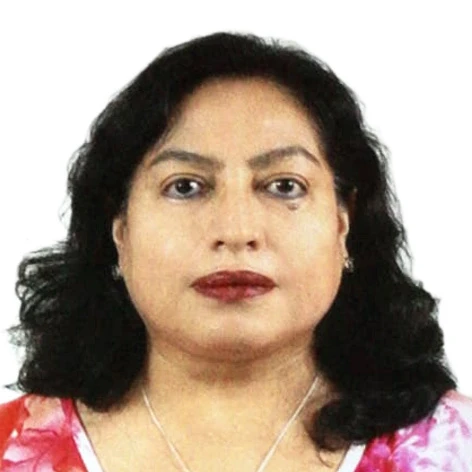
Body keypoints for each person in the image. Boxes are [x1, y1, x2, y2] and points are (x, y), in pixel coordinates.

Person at [1, 32, 471, 471]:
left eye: (284, 186)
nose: (236, 231)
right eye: (185, 187)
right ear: (119, 229)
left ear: (342, 222)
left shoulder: (454, 448)